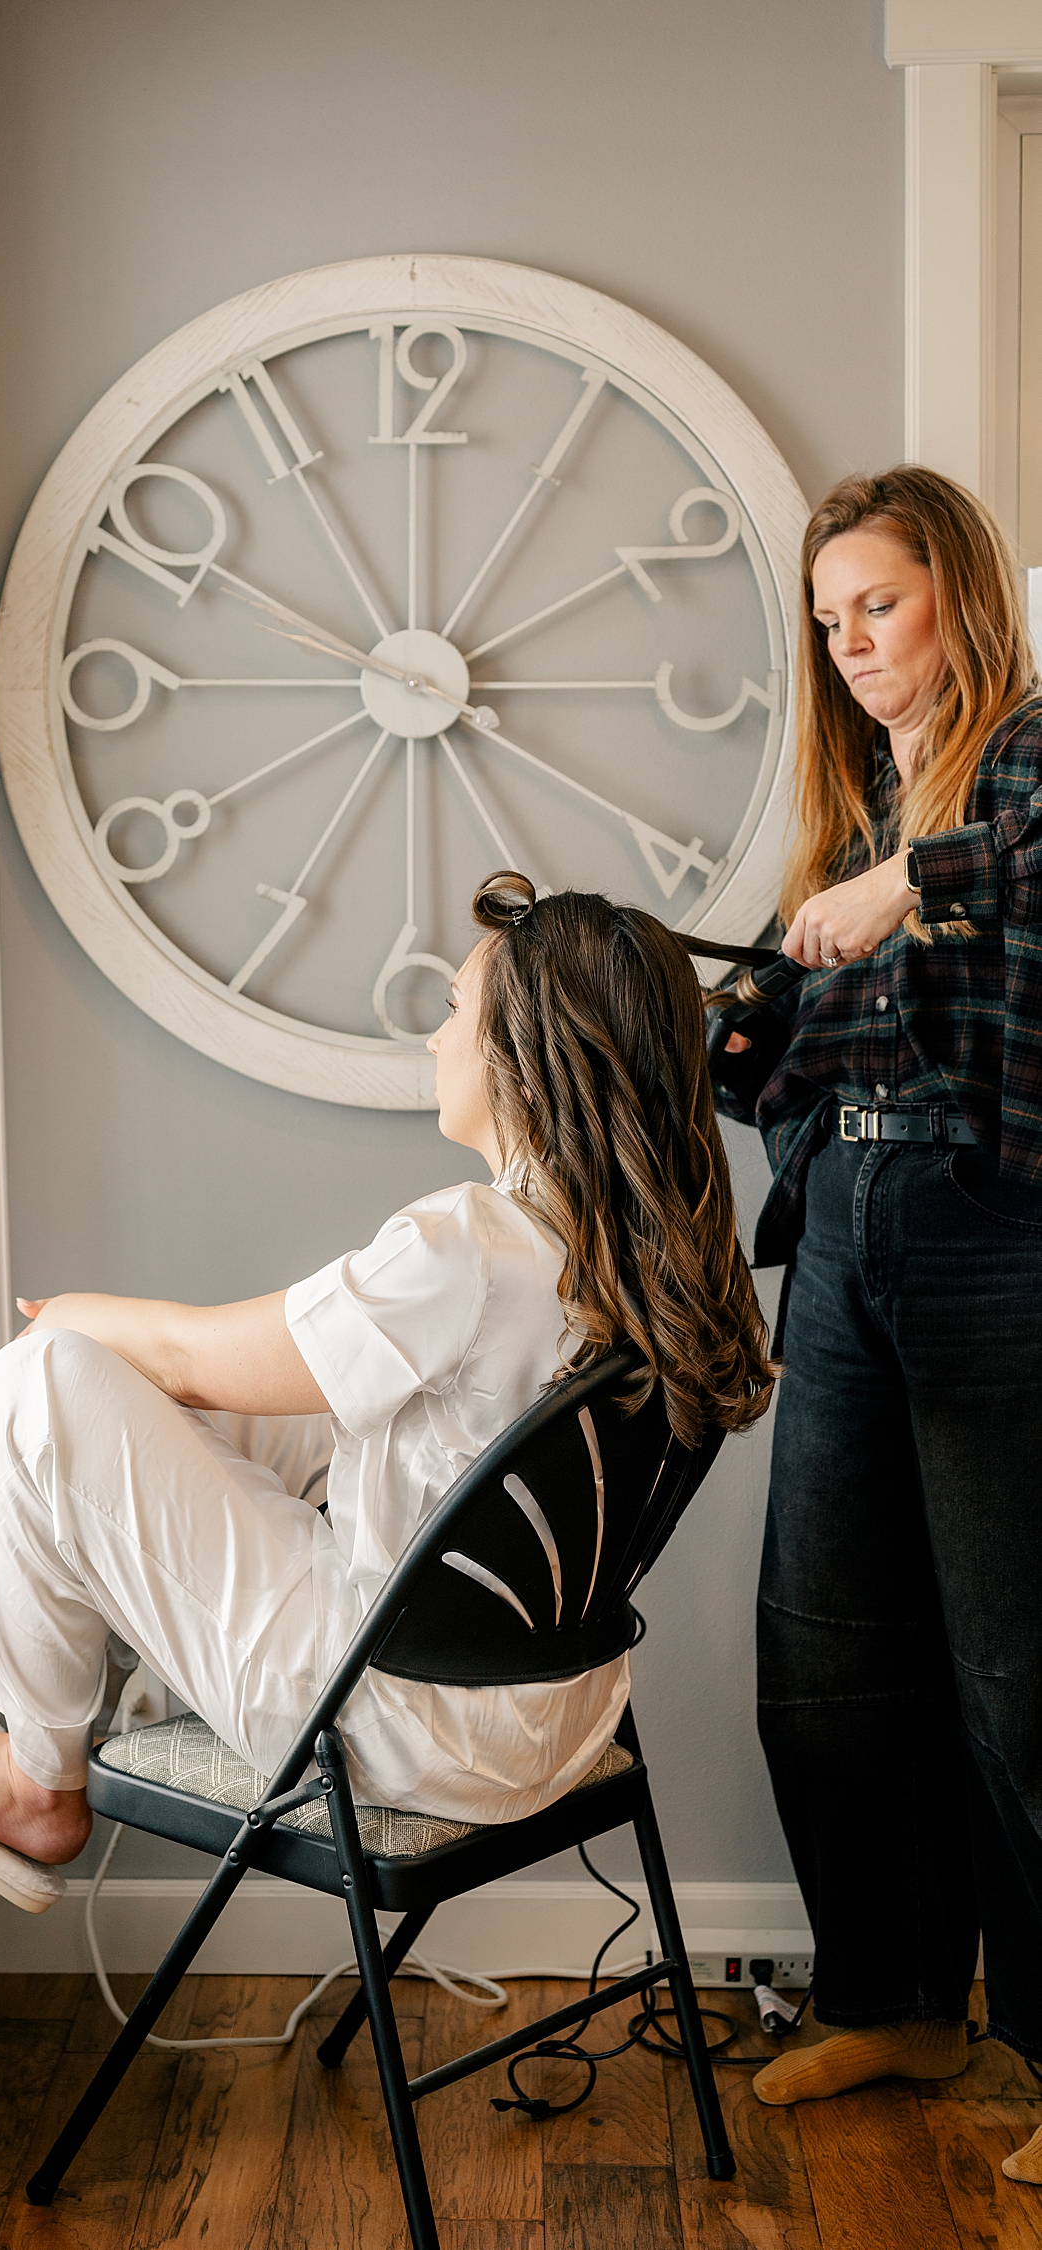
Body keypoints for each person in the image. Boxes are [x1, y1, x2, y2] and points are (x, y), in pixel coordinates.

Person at [0, 878, 776, 1904]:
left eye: (457, 1013)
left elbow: (193, 1354)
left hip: (406, 1726)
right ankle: (72, 1693)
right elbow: (263, 1391)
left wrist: (70, 1322)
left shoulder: (470, 1244)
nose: (435, 1041)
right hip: (558, 1715)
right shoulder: (656, 1253)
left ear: (523, 1055)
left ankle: (37, 1780)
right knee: (207, 1412)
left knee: (34, 1385)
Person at [715, 466, 1042, 2182]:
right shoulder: (849, 819)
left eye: (882, 605)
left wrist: (914, 885)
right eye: (830, 620)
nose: (851, 644)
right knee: (828, 1645)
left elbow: (1020, 884)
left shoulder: (1026, 767)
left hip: (998, 1237)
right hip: (844, 1230)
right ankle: (896, 1994)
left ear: (960, 598)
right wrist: (745, 1027)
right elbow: (800, 1068)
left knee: (1022, 1671)